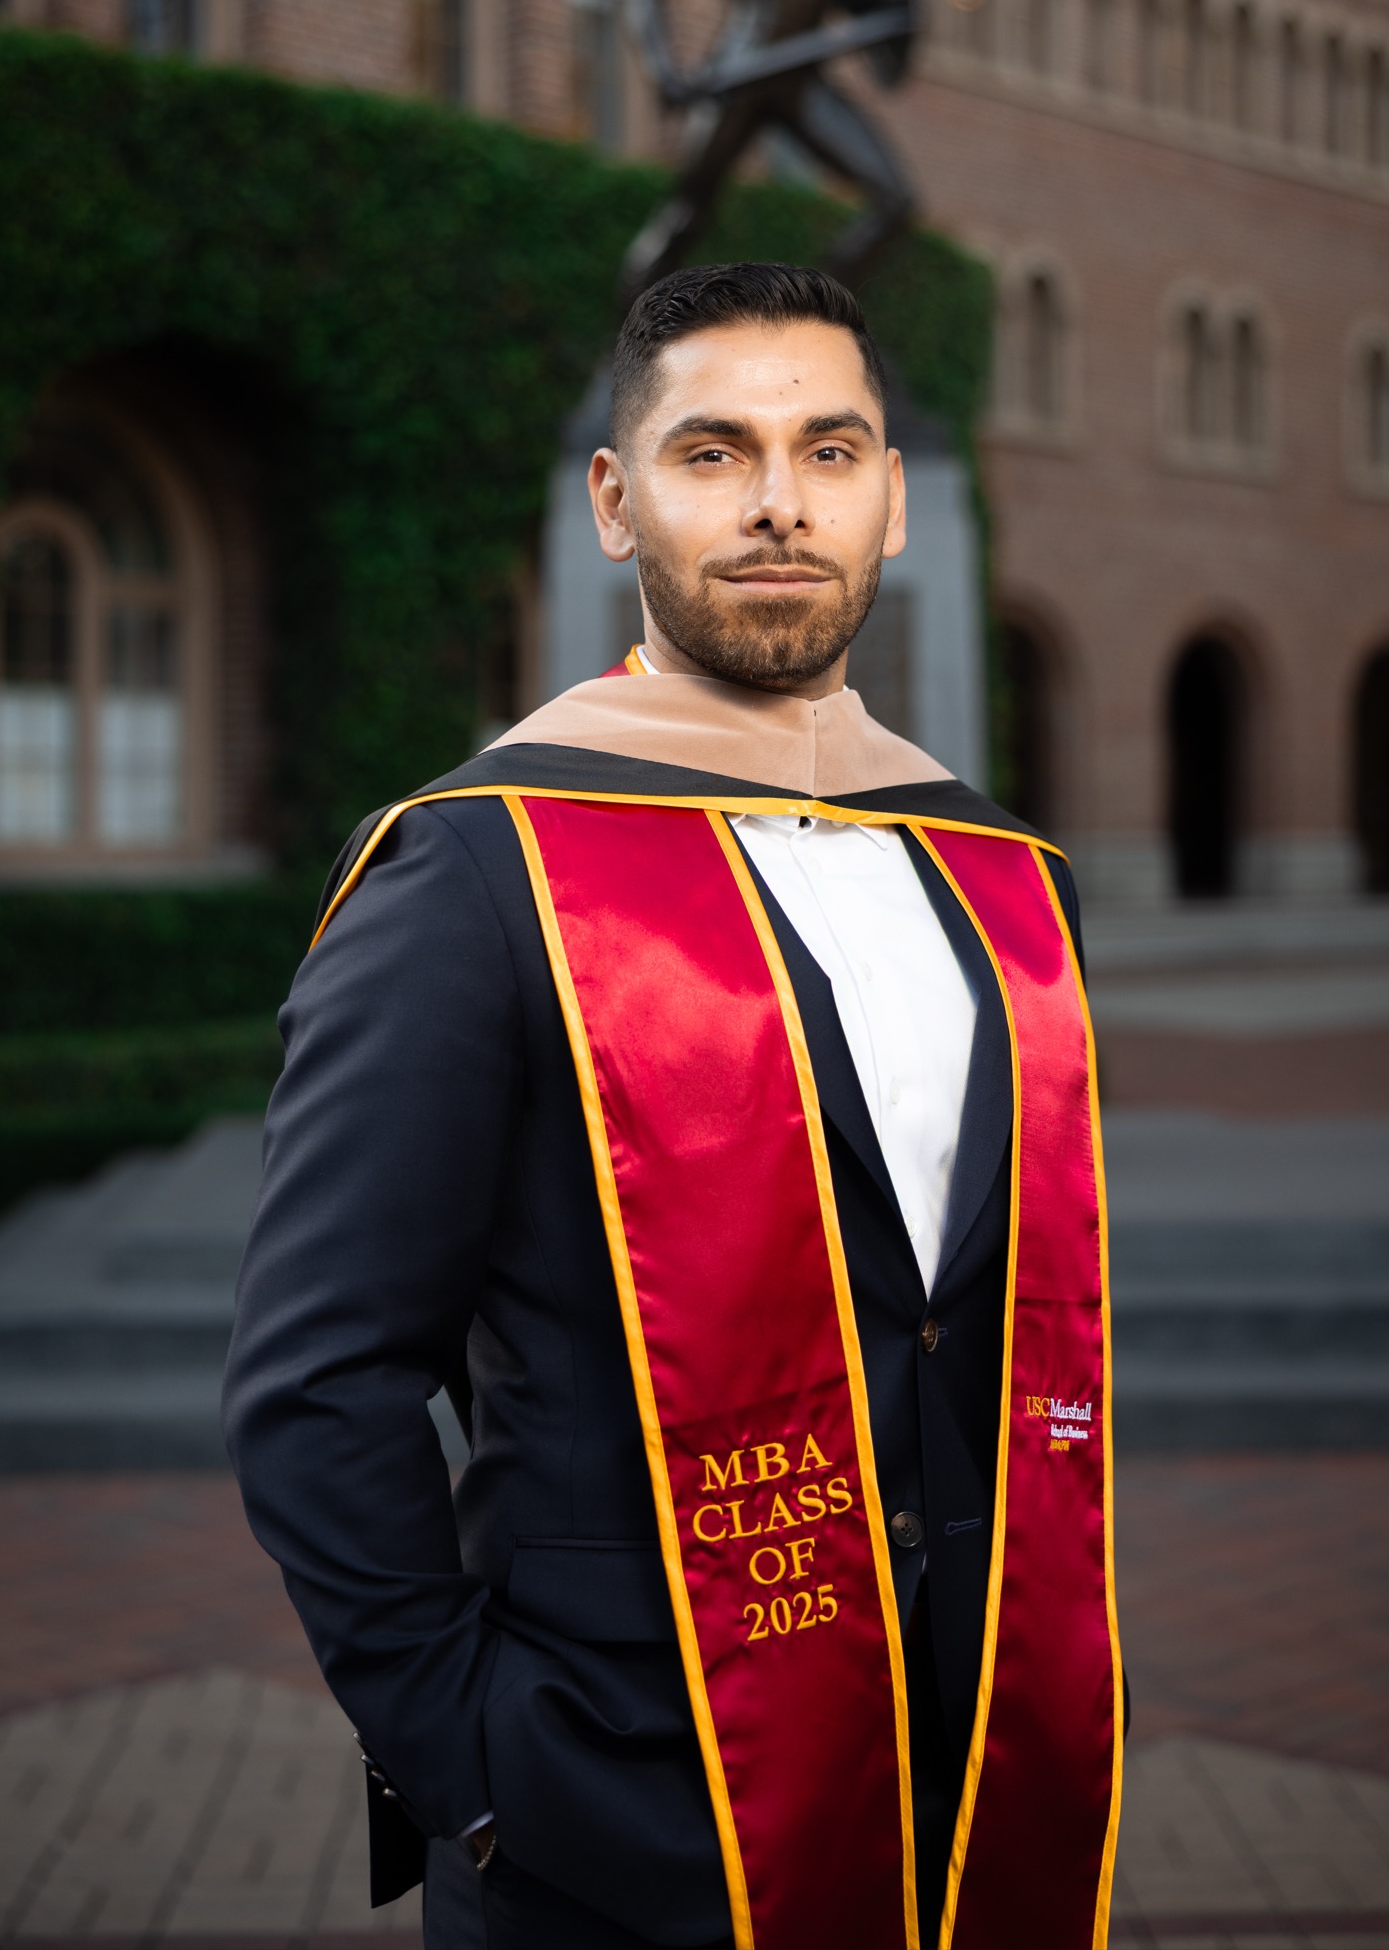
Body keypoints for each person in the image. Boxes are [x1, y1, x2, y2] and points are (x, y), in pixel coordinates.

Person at [223, 263, 1122, 1950]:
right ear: (615, 502)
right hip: (618, 1808)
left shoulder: (1002, 873)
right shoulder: (475, 872)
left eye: (829, 452)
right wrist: (477, 1768)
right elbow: (320, 1381)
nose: (781, 503)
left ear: (893, 500)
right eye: (714, 453)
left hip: (972, 1776)